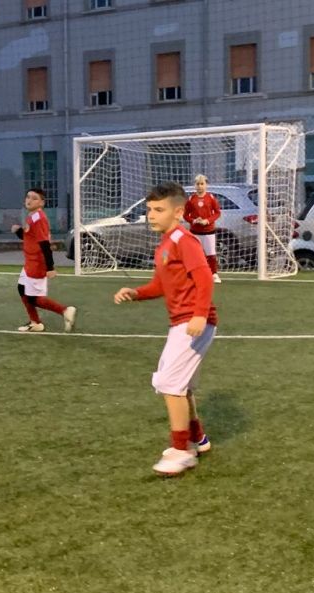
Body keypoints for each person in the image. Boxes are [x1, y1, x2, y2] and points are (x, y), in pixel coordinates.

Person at [113, 182, 217, 476]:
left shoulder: (184, 240)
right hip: (182, 323)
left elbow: (204, 278)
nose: (151, 215)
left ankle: (181, 451)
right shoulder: (165, 244)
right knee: (181, 386)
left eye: (159, 210)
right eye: (149, 209)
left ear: (179, 212)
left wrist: (199, 315)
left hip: (192, 323)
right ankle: (197, 439)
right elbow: (160, 285)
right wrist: (136, 292)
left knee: (169, 384)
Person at [9, 187, 77, 332]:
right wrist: (19, 231)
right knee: (22, 289)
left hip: (37, 263)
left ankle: (65, 311)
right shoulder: (32, 216)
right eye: (28, 197)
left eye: (34, 198)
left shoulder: (39, 218)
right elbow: (29, 237)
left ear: (42, 203)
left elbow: (44, 244)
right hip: (30, 262)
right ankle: (35, 323)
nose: (29, 200)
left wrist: (50, 267)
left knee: (33, 298)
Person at [183, 174, 222, 284]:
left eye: (202, 184)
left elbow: (217, 213)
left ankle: (214, 274)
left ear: (206, 185)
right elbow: (185, 215)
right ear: (194, 185)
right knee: (194, 254)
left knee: (211, 254)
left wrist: (207, 221)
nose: (200, 186)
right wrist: (193, 221)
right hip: (195, 232)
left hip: (209, 231)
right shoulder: (191, 199)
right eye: (197, 184)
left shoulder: (211, 198)